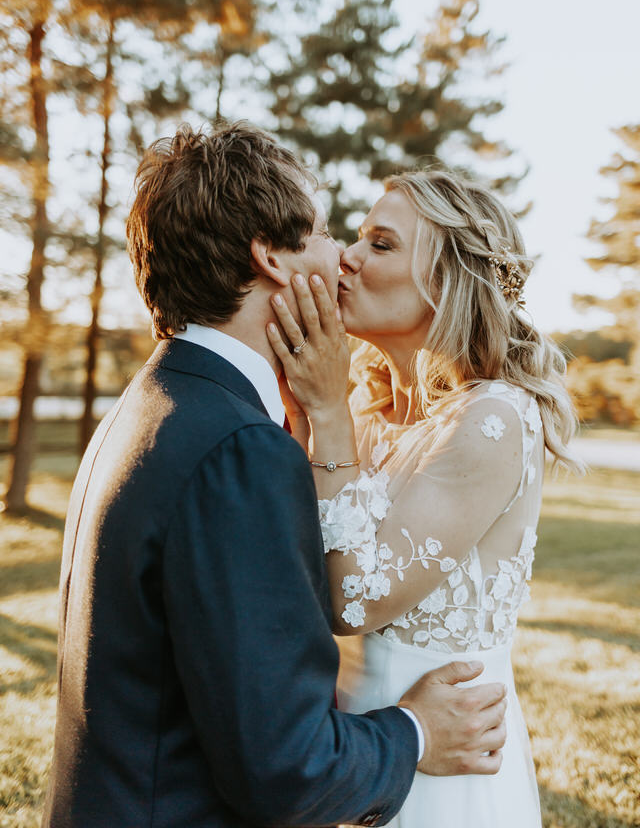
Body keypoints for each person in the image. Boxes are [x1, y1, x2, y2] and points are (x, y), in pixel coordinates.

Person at [42, 124, 508, 828]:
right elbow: (289, 768)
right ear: (271, 256)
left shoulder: (151, 405)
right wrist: (417, 732)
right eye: (322, 232)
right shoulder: (239, 448)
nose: (342, 256)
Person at [267, 166, 581, 828]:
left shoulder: (493, 418)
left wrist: (325, 413)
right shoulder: (369, 416)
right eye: (357, 237)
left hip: (442, 772)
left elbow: (353, 602)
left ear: (444, 280)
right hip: (350, 752)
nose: (346, 257)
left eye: (380, 244)